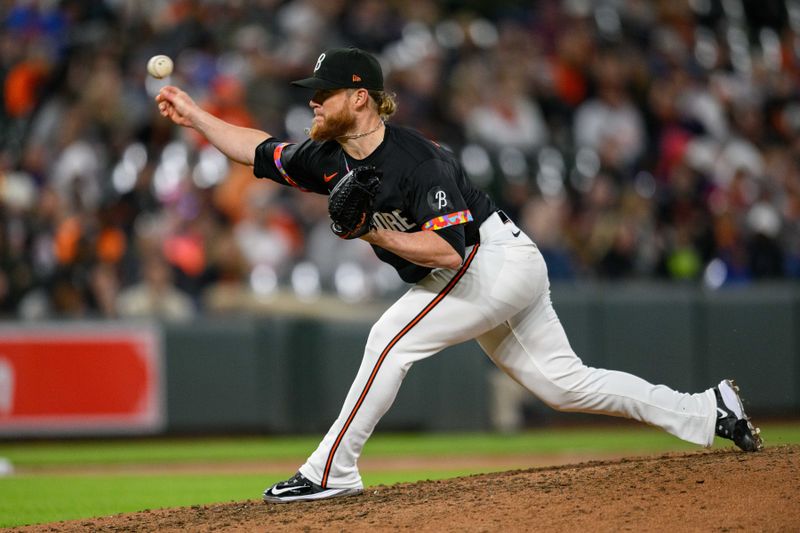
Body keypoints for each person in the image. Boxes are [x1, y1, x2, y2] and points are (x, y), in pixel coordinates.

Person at [155, 47, 763, 504]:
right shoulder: (326, 156)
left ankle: (329, 471)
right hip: (489, 270)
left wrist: (368, 230)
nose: (313, 100)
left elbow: (449, 251)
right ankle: (709, 411)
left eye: (325, 91)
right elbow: (258, 149)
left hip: (492, 260)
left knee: (388, 340)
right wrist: (194, 116)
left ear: (360, 96)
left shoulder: (420, 159)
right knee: (564, 385)